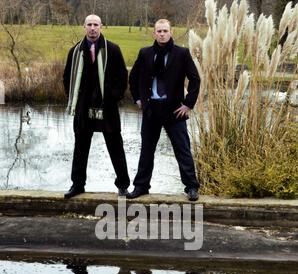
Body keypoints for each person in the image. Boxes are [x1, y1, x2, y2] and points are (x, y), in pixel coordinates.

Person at [128, 19, 200, 201]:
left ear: (171, 32)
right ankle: (141, 186)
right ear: (154, 33)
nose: (161, 34)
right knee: (146, 150)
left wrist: (188, 104)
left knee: (182, 149)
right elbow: (133, 77)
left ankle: (191, 186)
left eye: (165, 31)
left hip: (175, 111)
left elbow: (195, 79)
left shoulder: (181, 53)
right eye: (158, 31)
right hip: (151, 109)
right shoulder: (145, 53)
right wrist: (138, 99)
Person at [63, 14, 130, 199]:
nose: (92, 28)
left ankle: (123, 185)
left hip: (107, 107)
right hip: (83, 108)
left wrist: (113, 97)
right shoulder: (75, 51)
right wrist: (73, 98)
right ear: (84, 26)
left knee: (116, 147)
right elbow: (67, 78)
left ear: (101, 27)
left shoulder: (113, 50)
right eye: (89, 25)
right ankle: (77, 185)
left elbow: (122, 77)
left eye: (96, 25)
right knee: (80, 148)